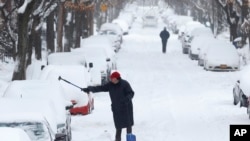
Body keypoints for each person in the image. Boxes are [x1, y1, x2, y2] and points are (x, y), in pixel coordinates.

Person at [81, 71, 135, 141]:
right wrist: (89, 89)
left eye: (112, 78)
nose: (111, 80)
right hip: (117, 109)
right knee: (118, 127)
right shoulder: (110, 85)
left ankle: (130, 139)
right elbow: (100, 88)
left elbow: (131, 93)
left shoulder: (125, 84)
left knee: (128, 125)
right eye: (111, 79)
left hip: (126, 108)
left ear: (116, 78)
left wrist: (127, 99)